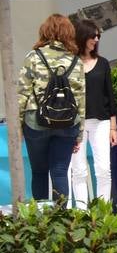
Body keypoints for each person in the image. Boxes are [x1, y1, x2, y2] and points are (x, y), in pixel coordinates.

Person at [17, 14, 85, 201]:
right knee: (60, 171)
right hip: (67, 124)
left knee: (39, 171)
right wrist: (79, 133)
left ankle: (40, 223)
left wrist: (17, 127)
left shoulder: (33, 57)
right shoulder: (76, 61)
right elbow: (80, 99)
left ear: (44, 31)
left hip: (36, 123)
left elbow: (22, 94)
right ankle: (61, 222)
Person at [67, 18, 117, 205]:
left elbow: (109, 95)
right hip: (75, 123)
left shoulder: (103, 63)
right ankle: (81, 212)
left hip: (101, 121)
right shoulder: (70, 63)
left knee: (104, 169)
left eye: (98, 36)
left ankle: (103, 212)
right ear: (82, 36)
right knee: (78, 170)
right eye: (93, 35)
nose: (96, 39)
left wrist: (114, 128)